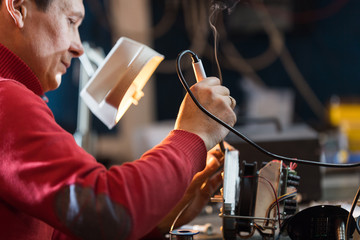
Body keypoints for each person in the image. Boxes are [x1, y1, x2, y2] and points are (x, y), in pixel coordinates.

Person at [0, 0, 237, 239]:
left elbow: (62, 234)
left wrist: (157, 221)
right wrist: (193, 136)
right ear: (18, 9)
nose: (79, 47)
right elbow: (107, 210)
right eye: (70, 22)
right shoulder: (7, 101)